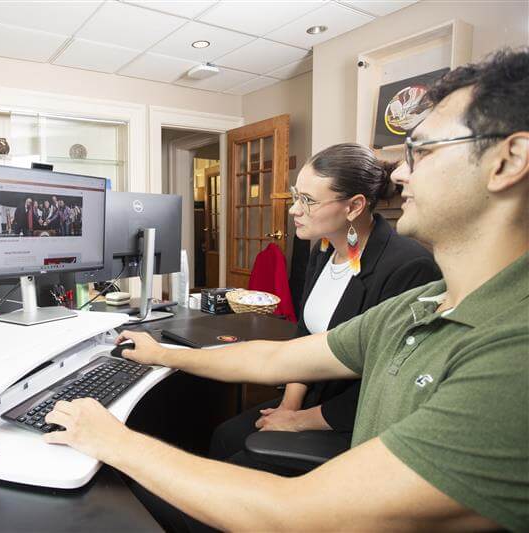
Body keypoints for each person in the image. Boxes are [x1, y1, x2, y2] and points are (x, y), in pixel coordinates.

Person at [43, 48, 529, 531]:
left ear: (508, 161)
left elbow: (300, 513)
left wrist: (113, 441)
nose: (399, 173)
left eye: (420, 152)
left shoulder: (513, 353)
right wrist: (164, 355)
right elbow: (276, 359)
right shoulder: (420, 306)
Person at [210, 143, 441, 463]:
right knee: (224, 436)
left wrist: (299, 420)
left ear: (354, 206)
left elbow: (387, 381)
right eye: (296, 195)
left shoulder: (409, 267)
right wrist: (288, 406)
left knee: (244, 459)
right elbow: (305, 336)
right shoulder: (322, 251)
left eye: (308, 200)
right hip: (308, 400)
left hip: (350, 417)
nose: (294, 209)